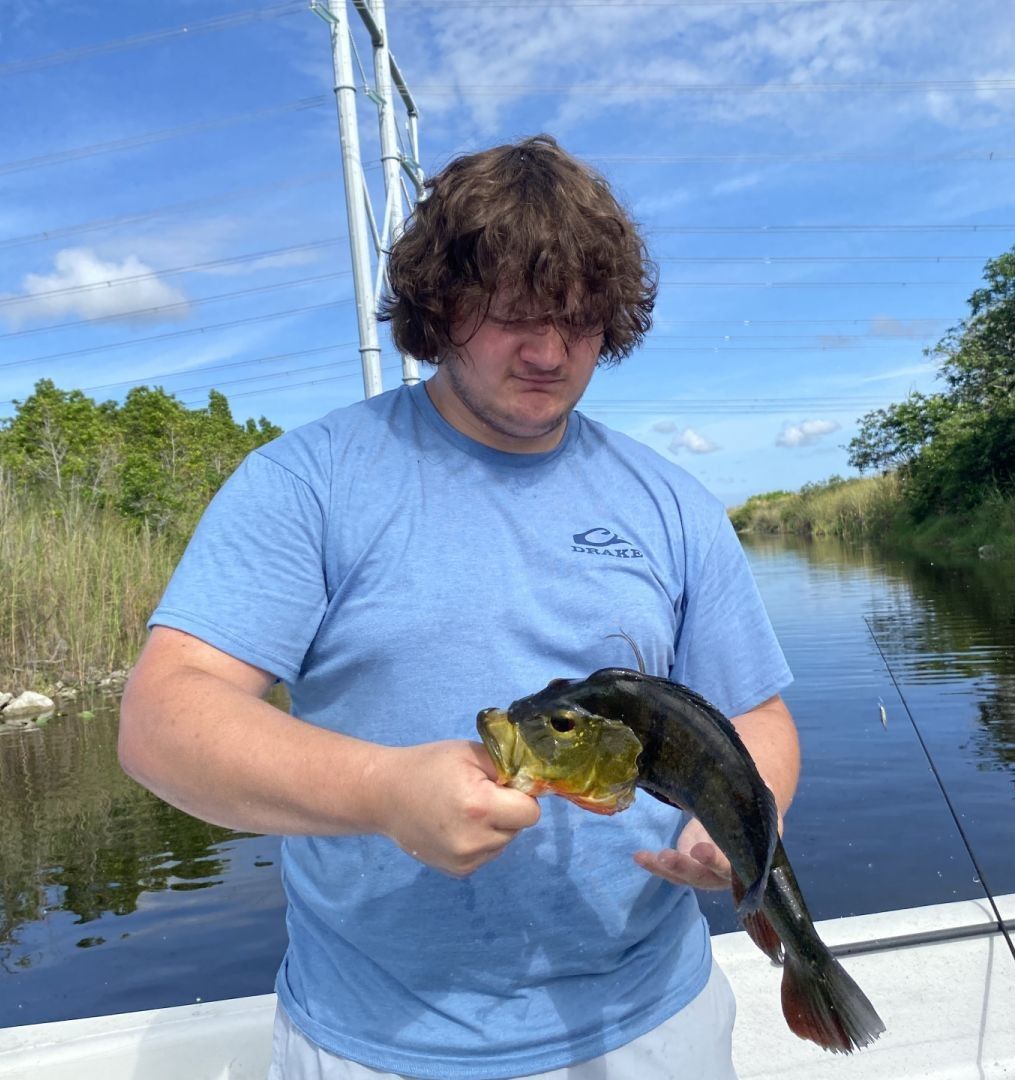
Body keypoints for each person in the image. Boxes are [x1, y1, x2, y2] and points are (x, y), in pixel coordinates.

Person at [119, 134, 799, 1080]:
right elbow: (162, 719)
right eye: (514, 314)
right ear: (439, 307)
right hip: (375, 1047)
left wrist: (723, 832)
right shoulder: (308, 481)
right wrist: (384, 792)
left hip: (653, 1026)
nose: (550, 352)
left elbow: (756, 718)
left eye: (582, 319)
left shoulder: (670, 501)